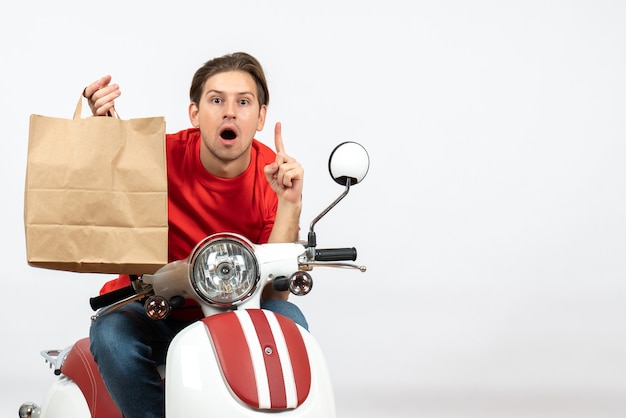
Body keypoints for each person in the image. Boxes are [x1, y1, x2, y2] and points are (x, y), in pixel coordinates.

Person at [84, 52, 308, 418]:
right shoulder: (162, 155)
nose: (229, 112)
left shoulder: (274, 176)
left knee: (289, 316)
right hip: (153, 309)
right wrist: (103, 126)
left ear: (261, 117)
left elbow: (274, 292)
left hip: (237, 312)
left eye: (244, 102)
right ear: (195, 114)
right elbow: (118, 173)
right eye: (216, 100)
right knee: (111, 334)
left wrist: (290, 203)